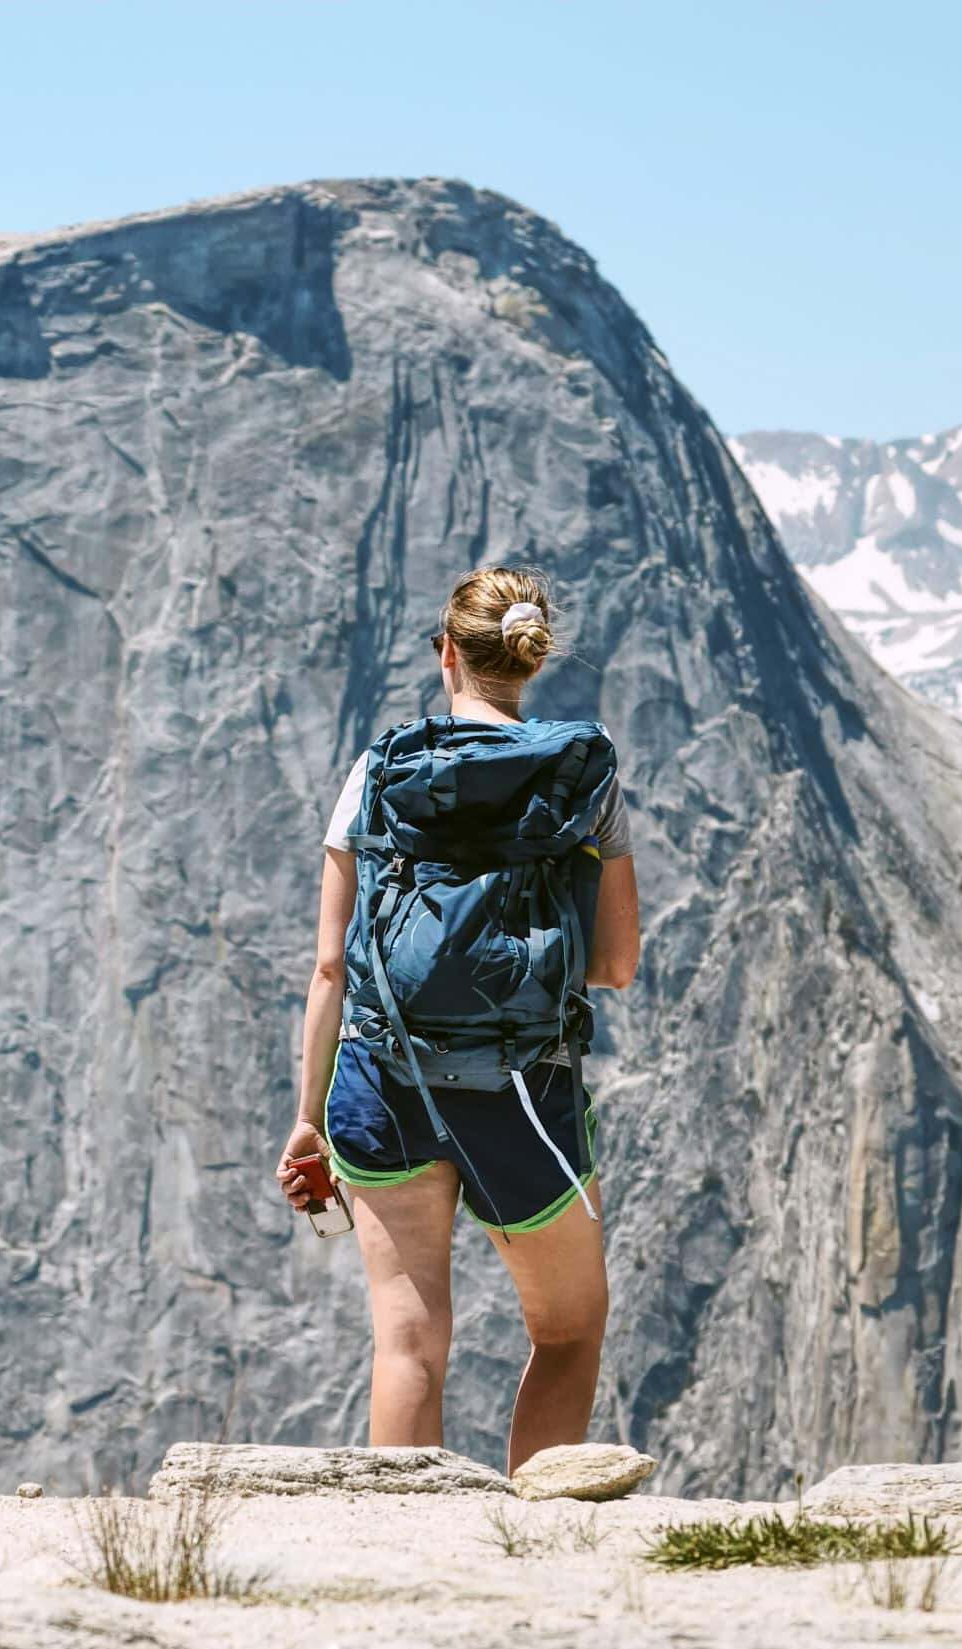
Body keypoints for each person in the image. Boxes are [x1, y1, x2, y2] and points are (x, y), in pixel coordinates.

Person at [275, 565, 640, 1472]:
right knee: (566, 1331)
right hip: (523, 1087)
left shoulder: (381, 769)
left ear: (447, 654)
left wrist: (308, 1120)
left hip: (383, 1080)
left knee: (409, 1340)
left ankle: (403, 1563)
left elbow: (331, 962)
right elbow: (616, 963)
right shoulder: (580, 778)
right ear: (532, 658)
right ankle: (539, 1548)